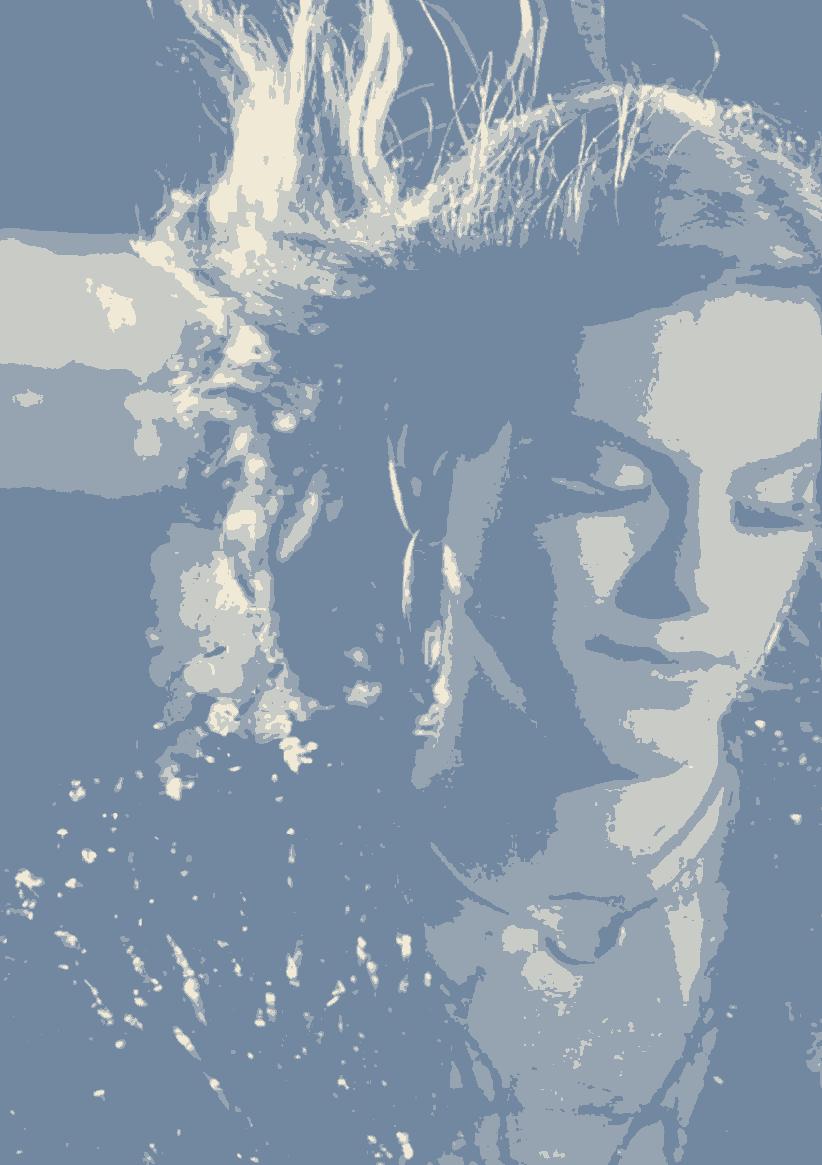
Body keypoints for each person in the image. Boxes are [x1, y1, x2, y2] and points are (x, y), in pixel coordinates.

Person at [5, 3, 822, 1163]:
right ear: (426, 459)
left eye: (776, 502)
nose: (693, 582)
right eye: (603, 483)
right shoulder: (162, 928)